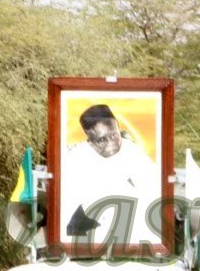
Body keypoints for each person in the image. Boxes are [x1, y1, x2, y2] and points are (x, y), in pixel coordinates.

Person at [61, 103, 161, 242]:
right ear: (90, 141)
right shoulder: (75, 157)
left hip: (131, 233)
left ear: (118, 127)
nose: (111, 142)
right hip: (88, 235)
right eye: (102, 139)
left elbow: (154, 187)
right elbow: (68, 205)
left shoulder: (131, 150)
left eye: (114, 135)